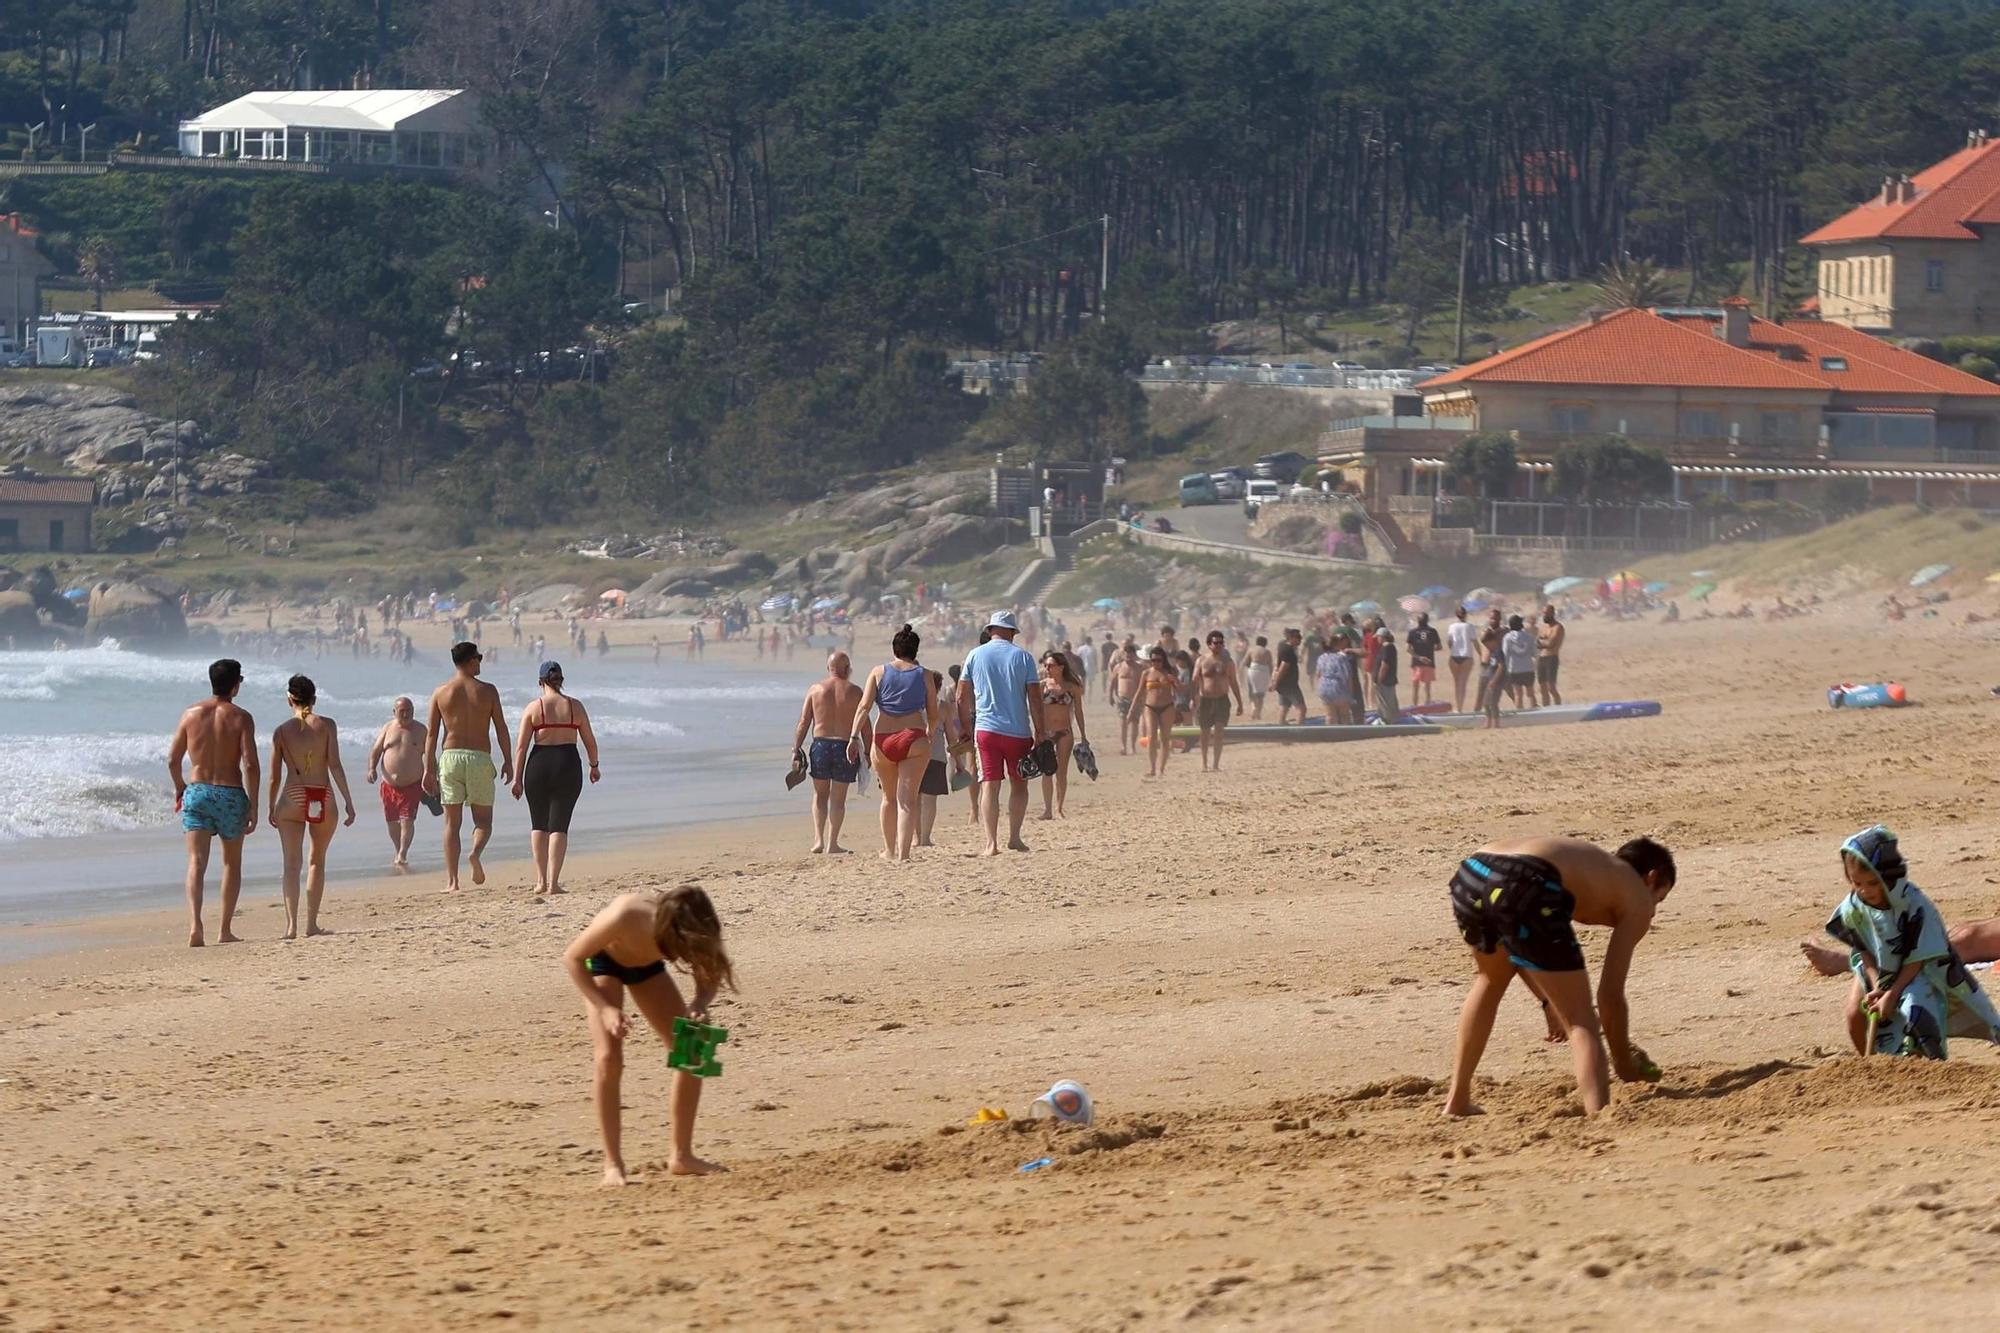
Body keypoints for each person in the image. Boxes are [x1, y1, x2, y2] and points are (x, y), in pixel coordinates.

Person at [1445, 836, 1677, 1116]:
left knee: (1490, 980)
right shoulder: (1636, 896)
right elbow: (1610, 998)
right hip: (1526, 878)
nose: (1653, 911)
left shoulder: (1593, 870)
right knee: (1582, 1021)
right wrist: (1624, 1063)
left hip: (1474, 871)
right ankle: (1601, 1114)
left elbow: (1519, 949)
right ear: (1651, 879)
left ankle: (1457, 1101)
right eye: (1659, 899)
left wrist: (1548, 1001)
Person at [563, 884, 735, 1185]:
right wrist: (604, 1009)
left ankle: (681, 1156)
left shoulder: (696, 926)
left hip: (646, 969)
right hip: (602, 964)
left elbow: (710, 972)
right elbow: (573, 958)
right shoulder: (626, 914)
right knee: (608, 1057)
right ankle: (612, 1165)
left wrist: (699, 1003)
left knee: (693, 1047)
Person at [1821, 826, 2000, 1058]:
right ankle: (1870, 1064)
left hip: (1915, 969)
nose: (1865, 891)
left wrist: (1893, 994)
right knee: (1855, 1015)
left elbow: (1919, 955)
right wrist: (1878, 987)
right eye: (1857, 883)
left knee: (1916, 1015)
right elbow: (1863, 948)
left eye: (1872, 883)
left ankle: (1925, 1064)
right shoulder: (1854, 907)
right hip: (1877, 967)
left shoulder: (1913, 905)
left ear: (1888, 876)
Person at [168, 658, 260, 947]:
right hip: (230, 793)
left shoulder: (190, 714)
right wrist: (254, 804)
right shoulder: (241, 717)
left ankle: (196, 926)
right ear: (236, 684)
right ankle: (224, 929)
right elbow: (250, 764)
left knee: (196, 862)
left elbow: (172, 759)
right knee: (231, 863)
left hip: (197, 792)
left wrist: (181, 787)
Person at [267, 674, 356, 939]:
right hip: (323, 796)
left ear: (289, 699)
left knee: (291, 865)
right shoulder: (328, 725)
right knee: (317, 860)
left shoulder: (281, 731)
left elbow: (274, 776)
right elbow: (335, 765)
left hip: (293, 795)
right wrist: (348, 801)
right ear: (314, 699)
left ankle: (291, 926)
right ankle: (311, 925)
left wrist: (271, 805)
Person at [423, 641, 512, 893]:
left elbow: (431, 734)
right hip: (479, 758)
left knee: (451, 824)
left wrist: (429, 768)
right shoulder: (488, 691)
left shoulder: (441, 692)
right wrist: (508, 760)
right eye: (479, 658)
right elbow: (501, 727)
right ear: (470, 660)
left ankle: (452, 882)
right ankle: (474, 853)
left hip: (450, 757)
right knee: (483, 822)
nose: (481, 662)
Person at [511, 661, 602, 896]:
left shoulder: (534, 708)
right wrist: (594, 766)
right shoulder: (575, 707)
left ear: (541, 681)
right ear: (561, 680)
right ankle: (553, 883)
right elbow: (589, 740)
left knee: (538, 823)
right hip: (567, 763)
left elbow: (521, 747)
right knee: (559, 826)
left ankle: (540, 881)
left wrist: (517, 779)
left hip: (538, 765)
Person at [851, 626, 938, 862]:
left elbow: (863, 707)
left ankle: (889, 850)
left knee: (888, 798)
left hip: (883, 740)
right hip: (913, 737)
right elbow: (933, 712)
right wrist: (930, 732)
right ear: (915, 649)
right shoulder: (925, 674)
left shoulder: (878, 672)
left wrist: (853, 737)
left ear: (894, 649)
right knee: (907, 800)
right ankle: (904, 854)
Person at [963, 611, 1045, 854]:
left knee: (990, 784)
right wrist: (1041, 731)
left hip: (986, 730)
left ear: (990, 631)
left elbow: (961, 695)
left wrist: (966, 728)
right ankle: (1015, 838)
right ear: (1011, 632)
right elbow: (1035, 697)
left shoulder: (975, 655)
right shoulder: (1023, 657)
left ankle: (991, 843)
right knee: (1019, 784)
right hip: (1017, 730)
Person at [794, 652, 864, 853]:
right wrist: (868, 753)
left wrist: (796, 748)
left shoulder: (815, 689)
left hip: (821, 745)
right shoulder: (855, 692)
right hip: (845, 746)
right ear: (847, 668)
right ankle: (832, 843)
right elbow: (865, 725)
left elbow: (803, 722)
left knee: (820, 795)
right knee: (838, 799)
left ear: (828, 668)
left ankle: (818, 840)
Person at [366, 696, 427, 868]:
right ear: (394, 712)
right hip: (389, 786)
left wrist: (431, 776)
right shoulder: (388, 728)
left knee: (407, 820)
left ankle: (403, 853)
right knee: (392, 822)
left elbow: (429, 756)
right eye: (402, 711)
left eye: (409, 710)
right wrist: (371, 768)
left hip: (412, 784)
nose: (406, 714)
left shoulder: (421, 730)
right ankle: (398, 848)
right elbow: (376, 751)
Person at [1037, 650, 1088, 817]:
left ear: (1060, 667)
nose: (1047, 668)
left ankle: (1059, 807)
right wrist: (1037, 732)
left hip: (1065, 731)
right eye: (1045, 665)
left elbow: (1079, 711)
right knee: (1046, 770)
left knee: (1061, 771)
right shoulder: (1042, 685)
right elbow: (1035, 710)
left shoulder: (1072, 686)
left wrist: (1083, 735)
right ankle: (1047, 809)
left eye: (1050, 665)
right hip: (1046, 732)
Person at [1191, 631, 1244, 770]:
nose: (1219, 645)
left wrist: (1240, 703)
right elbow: (1195, 681)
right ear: (1209, 644)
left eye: (1221, 642)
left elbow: (1233, 682)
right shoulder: (1201, 660)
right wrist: (1193, 698)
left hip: (1222, 699)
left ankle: (1216, 764)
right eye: (1216, 642)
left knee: (1219, 731)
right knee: (1205, 732)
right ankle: (1204, 763)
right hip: (1205, 700)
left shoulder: (1228, 662)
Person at [1128, 646, 1181, 778]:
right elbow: (1139, 692)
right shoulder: (1146, 673)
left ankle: (1161, 769)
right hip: (1150, 707)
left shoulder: (1169, 672)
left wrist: (1174, 681)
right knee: (1151, 737)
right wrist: (1131, 711)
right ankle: (1152, 768)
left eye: (1159, 660)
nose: (1156, 663)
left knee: (1165, 738)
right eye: (1153, 660)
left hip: (1167, 707)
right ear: (1150, 660)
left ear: (1163, 660)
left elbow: (1181, 691)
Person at [917, 669, 955, 847]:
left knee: (914, 799)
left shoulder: (914, 705)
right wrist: (958, 762)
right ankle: (925, 838)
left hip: (914, 755)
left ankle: (917, 838)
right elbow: (951, 735)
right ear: (939, 687)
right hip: (937, 755)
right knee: (929, 799)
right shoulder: (943, 706)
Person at [1313, 632, 1355, 724]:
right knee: (1345, 715)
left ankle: (1330, 735)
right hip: (1338, 686)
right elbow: (1348, 677)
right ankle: (1346, 734)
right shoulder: (1341, 658)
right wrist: (1350, 694)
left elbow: (1318, 674)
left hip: (1324, 686)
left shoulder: (1321, 658)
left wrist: (1318, 688)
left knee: (1330, 715)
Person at [1108, 642, 1142, 755]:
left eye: (1131, 654)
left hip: (1136, 699)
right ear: (1123, 655)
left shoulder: (1139, 668)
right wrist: (1110, 696)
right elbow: (1112, 682)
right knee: (1123, 723)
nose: (1129, 656)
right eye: (1127, 654)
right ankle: (1123, 746)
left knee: (1135, 723)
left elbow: (1143, 685)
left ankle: (1132, 746)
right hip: (1122, 698)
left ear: (1134, 655)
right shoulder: (1119, 667)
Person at [1501, 614, 1538, 710]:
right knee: (1531, 693)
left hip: (1514, 669)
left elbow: (1505, 654)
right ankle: (1535, 712)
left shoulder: (1507, 638)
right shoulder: (1529, 637)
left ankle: (1520, 714)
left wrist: (1504, 668)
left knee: (1518, 695)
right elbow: (1534, 653)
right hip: (1528, 668)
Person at [1445, 607, 1478, 713]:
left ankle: (1458, 707)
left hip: (1454, 656)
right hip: (1466, 655)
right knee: (1463, 683)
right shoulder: (1470, 626)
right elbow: (1475, 642)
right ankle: (1460, 707)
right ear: (1465, 615)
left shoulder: (1452, 626)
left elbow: (1449, 641)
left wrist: (1453, 648)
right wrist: (1482, 654)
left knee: (1457, 682)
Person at [1406, 613, 1441, 709]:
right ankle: (1428, 703)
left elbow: (1408, 649)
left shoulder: (1412, 632)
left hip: (1417, 662)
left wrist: (1419, 657)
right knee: (1427, 685)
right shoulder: (1432, 631)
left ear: (1418, 621)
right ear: (1428, 620)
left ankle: (1414, 705)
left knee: (1415, 686)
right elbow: (1439, 647)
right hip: (1429, 661)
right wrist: (1430, 649)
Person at [1272, 628, 1306, 724]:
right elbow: (1283, 666)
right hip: (1289, 684)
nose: (1300, 640)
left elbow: (1277, 665)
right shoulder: (1288, 650)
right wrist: (1275, 681)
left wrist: (1274, 680)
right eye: (1298, 638)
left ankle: (1281, 726)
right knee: (1301, 708)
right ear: (1292, 638)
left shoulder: (1283, 646)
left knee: (1285, 706)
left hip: (1283, 683)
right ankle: (1299, 731)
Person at [1371, 624, 1401, 724]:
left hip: (1385, 681)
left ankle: (1388, 722)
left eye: (1378, 637)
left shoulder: (1387, 648)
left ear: (1382, 637)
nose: (1377, 639)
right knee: (1389, 702)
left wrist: (1379, 680)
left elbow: (1384, 666)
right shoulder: (1388, 647)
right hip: (1388, 680)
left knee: (1386, 703)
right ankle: (1391, 720)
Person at [1536, 605, 1566, 707]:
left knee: (1551, 687)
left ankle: (1558, 707)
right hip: (1541, 658)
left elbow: (1550, 644)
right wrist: (1543, 641)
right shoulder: (1543, 627)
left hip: (1551, 658)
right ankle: (1546, 708)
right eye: (1543, 613)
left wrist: (1542, 642)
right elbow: (1537, 642)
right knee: (1542, 688)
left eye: (1546, 613)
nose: (1544, 615)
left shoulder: (1558, 627)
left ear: (1552, 613)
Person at [1243, 635, 1274, 720]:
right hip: (1264, 671)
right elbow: (1270, 665)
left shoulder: (1251, 649)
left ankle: (1254, 708)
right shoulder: (1267, 652)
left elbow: (1245, 662)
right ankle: (1258, 713)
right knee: (1260, 695)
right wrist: (1272, 677)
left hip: (1253, 670)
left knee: (1252, 693)